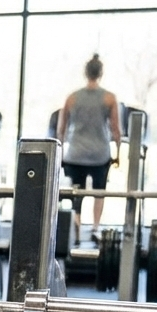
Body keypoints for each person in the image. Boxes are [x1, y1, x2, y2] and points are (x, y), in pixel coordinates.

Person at [57, 53, 122, 244]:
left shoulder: (72, 98)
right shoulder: (109, 98)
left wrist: (60, 153)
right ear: (101, 73)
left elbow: (61, 129)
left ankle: (76, 227)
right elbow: (116, 130)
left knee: (76, 193)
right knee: (99, 192)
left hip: (75, 153)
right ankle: (95, 228)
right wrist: (118, 154)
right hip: (99, 154)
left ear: (86, 73)